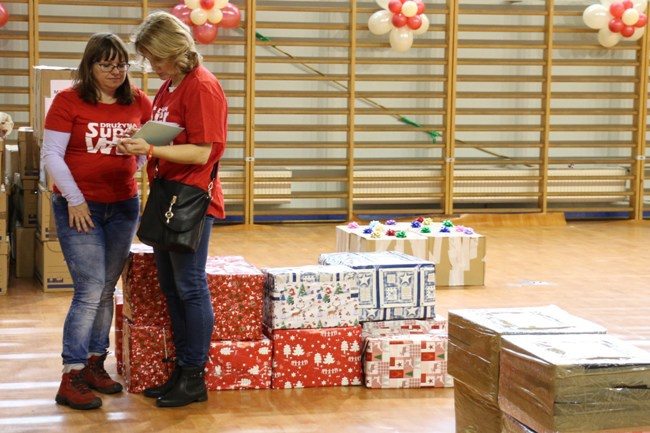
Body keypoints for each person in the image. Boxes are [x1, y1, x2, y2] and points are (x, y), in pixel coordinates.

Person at [117, 11, 228, 408]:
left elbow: (202, 151)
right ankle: (181, 370)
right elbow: (168, 135)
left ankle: (194, 375)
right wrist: (143, 141)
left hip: (192, 199)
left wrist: (150, 148)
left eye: (154, 57)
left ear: (173, 50)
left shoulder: (202, 87)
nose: (152, 65)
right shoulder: (170, 86)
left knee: (190, 287)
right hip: (168, 196)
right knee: (173, 287)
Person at [41, 32, 152, 410]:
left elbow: (147, 142)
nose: (116, 71)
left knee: (106, 289)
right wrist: (75, 199)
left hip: (123, 205)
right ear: (90, 66)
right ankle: (70, 375)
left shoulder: (138, 100)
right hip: (78, 206)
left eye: (122, 64)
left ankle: (94, 363)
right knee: (89, 290)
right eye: (107, 64)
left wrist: (135, 161)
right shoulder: (67, 100)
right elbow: (52, 154)